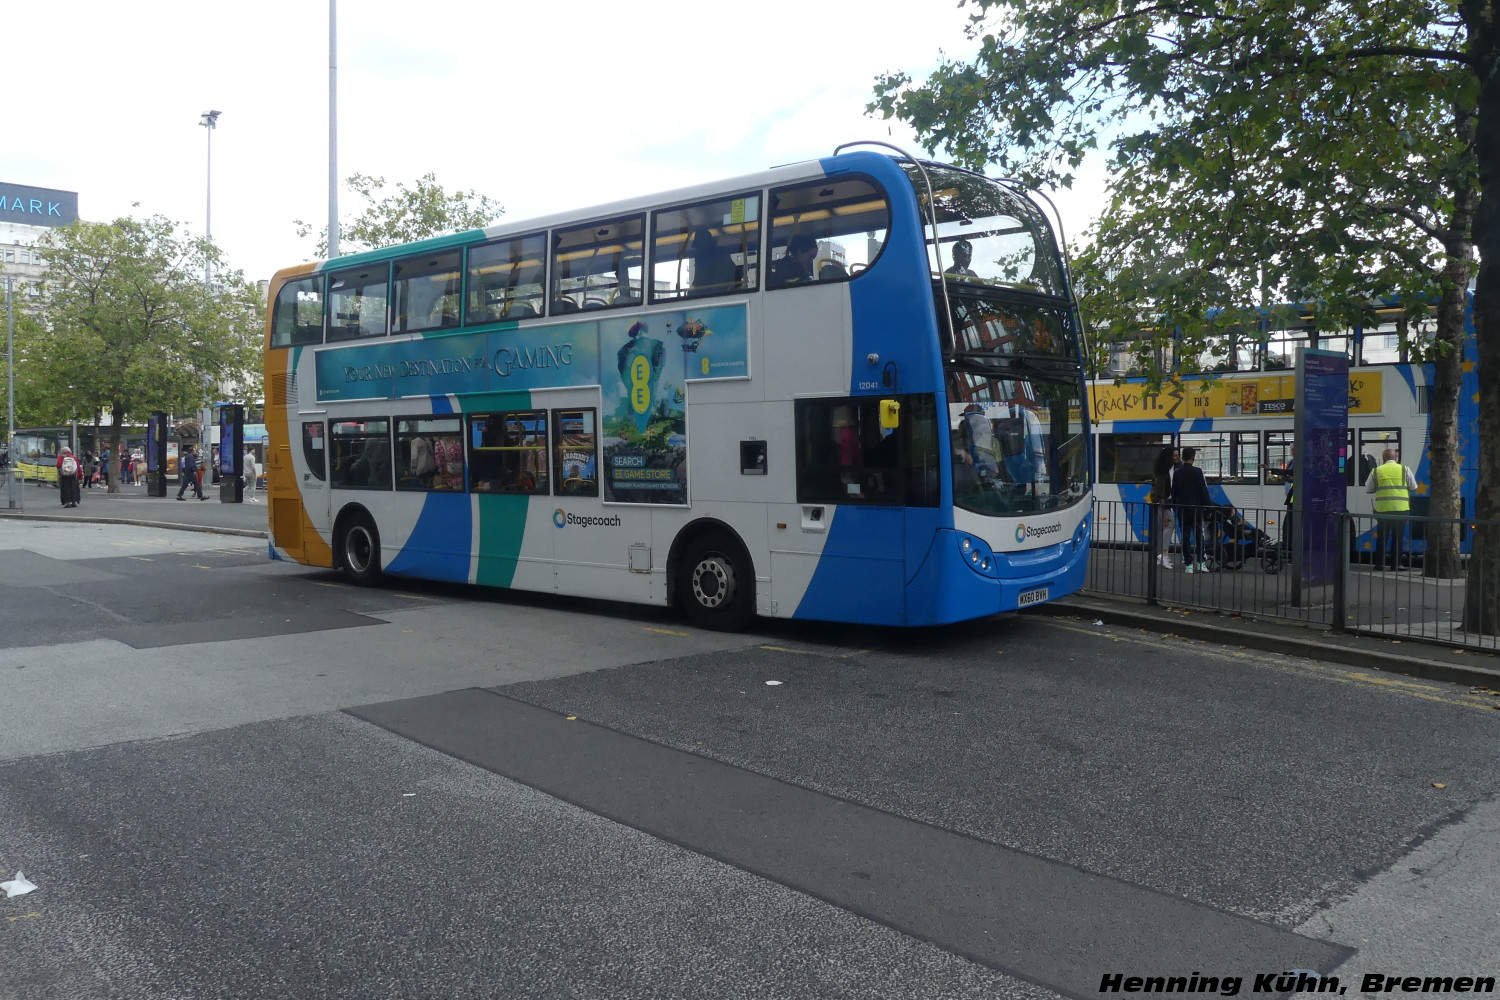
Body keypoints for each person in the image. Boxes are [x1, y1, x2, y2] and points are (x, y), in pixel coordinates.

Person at [1365, 448, 1417, 570]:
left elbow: (1368, 489)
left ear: (1383, 459)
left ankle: (1380, 564)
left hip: (1383, 510)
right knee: (1398, 537)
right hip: (1401, 509)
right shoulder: (1404, 469)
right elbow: (1413, 486)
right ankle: (1396, 564)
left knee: (1382, 537)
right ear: (1396, 458)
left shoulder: (1376, 471)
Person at [1172, 446, 1213, 573]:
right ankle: (1201, 563)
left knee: (1185, 536)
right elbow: (1203, 491)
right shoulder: (1198, 472)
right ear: (1193, 458)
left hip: (1182, 509)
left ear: (1183, 457)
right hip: (1196, 509)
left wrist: (1175, 506)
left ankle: (1188, 564)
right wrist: (1208, 507)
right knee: (1199, 536)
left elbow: (1174, 492)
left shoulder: (1177, 472)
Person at [1150, 445, 1176, 569]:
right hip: (1162, 503)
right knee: (1170, 524)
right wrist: (1164, 509)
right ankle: (1163, 554)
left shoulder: (1166, 469)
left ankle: (1159, 554)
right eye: (1175, 456)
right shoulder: (1162, 472)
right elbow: (1159, 492)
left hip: (1163, 503)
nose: (1177, 458)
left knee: (1161, 528)